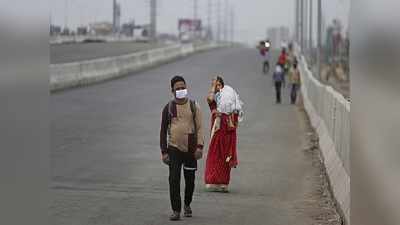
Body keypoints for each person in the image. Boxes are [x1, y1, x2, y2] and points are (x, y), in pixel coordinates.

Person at [160, 76, 204, 221]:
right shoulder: (168, 108)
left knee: (190, 180)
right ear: (172, 90)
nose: (180, 90)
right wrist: (164, 152)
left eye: (182, 87)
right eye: (177, 88)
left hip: (191, 150)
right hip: (173, 149)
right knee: (173, 179)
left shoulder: (194, 106)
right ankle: (176, 210)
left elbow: (200, 127)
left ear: (186, 87)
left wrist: (199, 147)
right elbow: (162, 131)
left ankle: (187, 204)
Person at [204, 76, 243, 192]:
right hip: (217, 128)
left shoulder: (228, 96)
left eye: (216, 84)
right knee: (215, 153)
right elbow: (209, 99)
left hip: (227, 129)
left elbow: (235, 111)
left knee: (226, 154)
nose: (215, 86)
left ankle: (223, 183)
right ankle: (212, 180)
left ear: (221, 85)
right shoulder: (216, 97)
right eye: (213, 84)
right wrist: (213, 87)